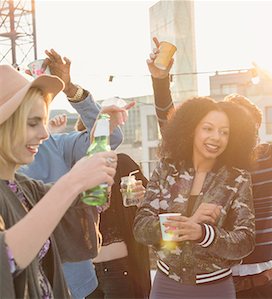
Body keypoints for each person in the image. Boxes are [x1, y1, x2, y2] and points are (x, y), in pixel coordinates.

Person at [147, 37, 272, 299]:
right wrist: (160, 81)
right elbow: (170, 126)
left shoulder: (269, 157)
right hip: (207, 283)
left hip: (257, 283)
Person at [18, 49, 132, 298]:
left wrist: (71, 90)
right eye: (31, 121)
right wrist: (74, 182)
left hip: (78, 285)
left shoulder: (52, 146)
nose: (44, 132)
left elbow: (110, 137)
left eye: (42, 119)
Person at [134, 97, 257, 298]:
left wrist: (203, 233)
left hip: (215, 289)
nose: (217, 137)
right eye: (208, 129)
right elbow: (141, 228)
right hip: (166, 286)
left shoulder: (238, 178)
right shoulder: (166, 169)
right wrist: (185, 225)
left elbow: (245, 241)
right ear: (191, 129)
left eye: (224, 132)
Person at [88, 153, 151, 298]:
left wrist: (142, 197)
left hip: (118, 269)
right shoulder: (78, 168)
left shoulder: (122, 163)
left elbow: (152, 206)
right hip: (88, 273)